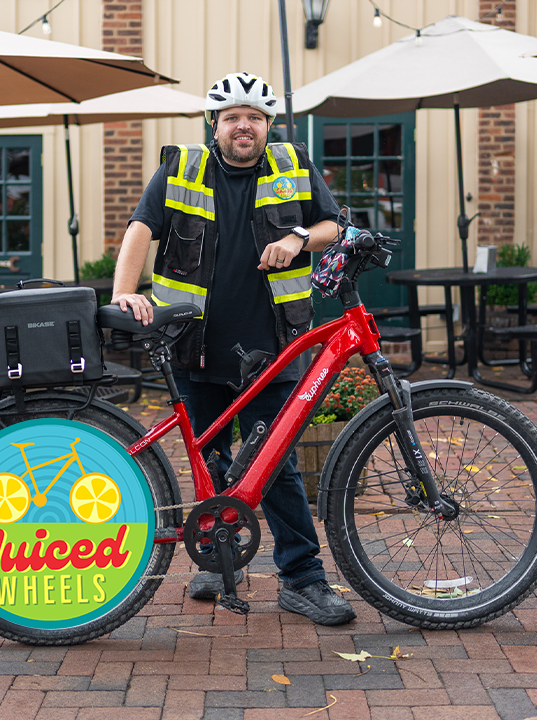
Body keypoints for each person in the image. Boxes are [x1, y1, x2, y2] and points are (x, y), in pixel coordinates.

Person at [111, 72, 355, 626]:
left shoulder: (293, 163)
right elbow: (141, 228)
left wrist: (298, 238)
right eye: (232, 117)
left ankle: (303, 580)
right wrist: (125, 291)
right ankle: (221, 566)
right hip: (196, 345)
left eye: (255, 117)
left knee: (279, 468)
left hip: (274, 347)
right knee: (212, 460)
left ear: (268, 124)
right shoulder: (180, 167)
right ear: (214, 125)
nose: (244, 126)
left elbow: (334, 226)